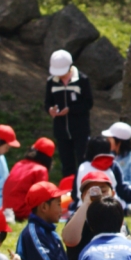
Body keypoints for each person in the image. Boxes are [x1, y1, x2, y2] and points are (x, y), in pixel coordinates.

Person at [14, 182, 76, 260]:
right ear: (43, 207)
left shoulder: (50, 231)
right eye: (58, 204)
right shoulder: (33, 234)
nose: (61, 209)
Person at [45, 50, 93, 184]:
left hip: (80, 129)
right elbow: (47, 102)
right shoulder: (51, 82)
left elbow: (88, 103)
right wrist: (51, 110)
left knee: (83, 160)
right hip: (61, 130)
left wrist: (71, 110)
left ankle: (84, 186)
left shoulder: (82, 80)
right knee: (67, 164)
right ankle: (68, 188)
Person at [105, 121, 131, 200]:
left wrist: (119, 186)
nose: (107, 141)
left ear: (119, 141)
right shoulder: (111, 155)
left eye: (109, 139)